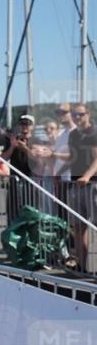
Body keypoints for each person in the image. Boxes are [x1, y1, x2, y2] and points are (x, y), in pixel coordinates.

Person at [67, 104, 97, 270]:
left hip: (92, 185)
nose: (77, 118)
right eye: (74, 115)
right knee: (78, 227)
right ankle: (81, 265)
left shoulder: (94, 132)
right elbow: (72, 157)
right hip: (75, 184)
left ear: (88, 114)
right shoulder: (73, 134)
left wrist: (87, 175)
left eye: (80, 114)